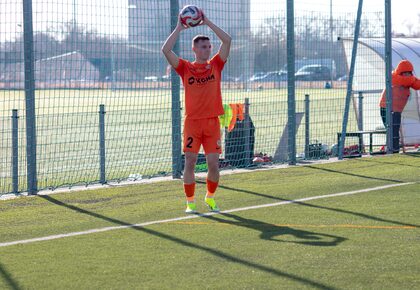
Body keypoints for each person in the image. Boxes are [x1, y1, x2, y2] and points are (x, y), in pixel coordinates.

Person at [162, 10, 231, 213]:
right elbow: (165, 50)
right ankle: (190, 202)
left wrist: (207, 22)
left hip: (211, 122)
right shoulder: (185, 68)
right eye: (203, 47)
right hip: (192, 122)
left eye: (209, 46)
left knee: (213, 165)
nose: (207, 49)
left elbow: (227, 41)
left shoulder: (216, 65)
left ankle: (210, 197)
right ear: (194, 49)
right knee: (190, 162)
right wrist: (179, 28)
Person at [379, 60, 420, 153]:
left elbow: (417, 85)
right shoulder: (393, 77)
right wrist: (412, 79)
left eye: (409, 73)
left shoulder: (409, 80)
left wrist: (413, 79)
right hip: (386, 108)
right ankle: (393, 149)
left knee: (394, 129)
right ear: (400, 72)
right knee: (392, 129)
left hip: (396, 110)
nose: (408, 75)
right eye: (405, 73)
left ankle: (393, 149)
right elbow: (406, 80)